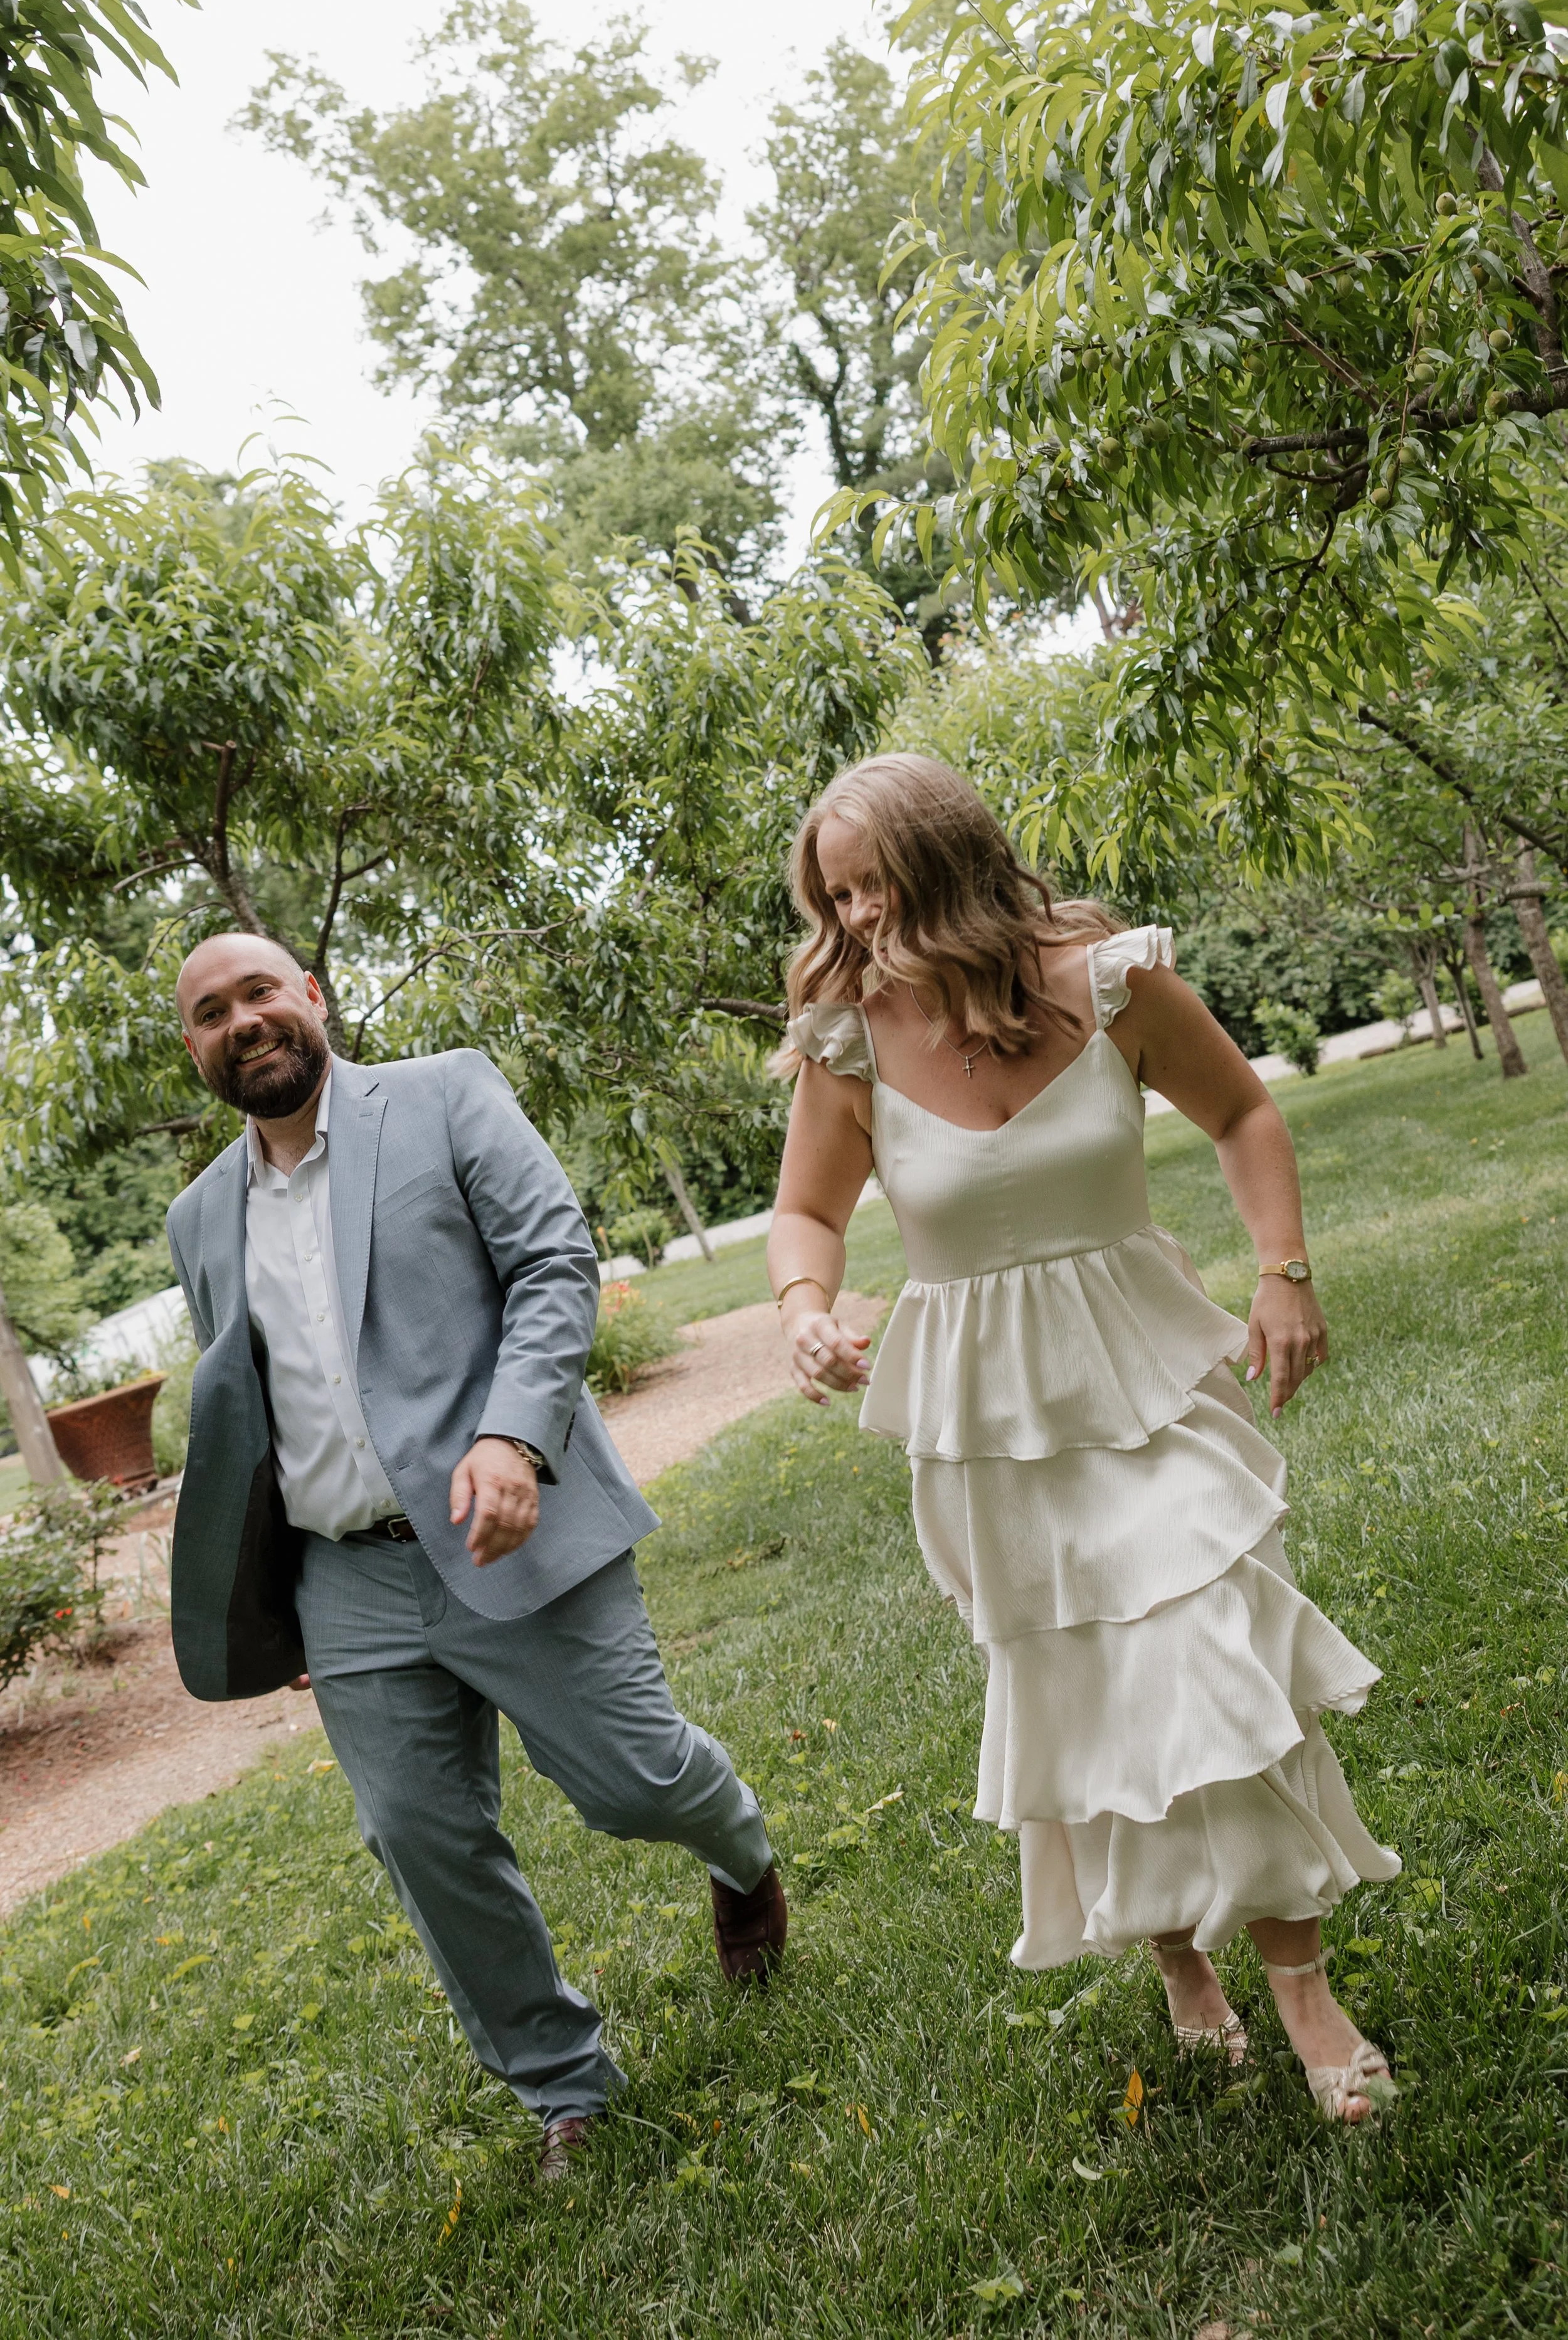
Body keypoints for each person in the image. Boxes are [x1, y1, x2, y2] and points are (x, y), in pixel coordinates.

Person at [767, 755, 1399, 2125]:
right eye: (837, 891)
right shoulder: (847, 1035)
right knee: (1087, 1694)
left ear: (949, 859)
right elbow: (805, 1216)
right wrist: (801, 1308)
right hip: (983, 1421)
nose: (859, 913)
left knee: (1209, 1648)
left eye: (876, 880)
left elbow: (1240, 1111)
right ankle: (1179, 1963)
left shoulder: (1107, 978)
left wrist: (1280, 1269)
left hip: (1142, 1365)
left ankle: (1299, 1990)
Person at [166, 930, 787, 2181]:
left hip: (507, 1515)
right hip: (344, 1582)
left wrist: (514, 1438)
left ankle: (738, 1847)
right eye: (208, 1012)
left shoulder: (444, 1093)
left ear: (312, 999)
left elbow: (552, 1260)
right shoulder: (198, 1222)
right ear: (194, 1050)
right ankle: (567, 2088)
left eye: (260, 993)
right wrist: (271, 1600)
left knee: (629, 1781)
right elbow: (254, 1417)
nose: (241, 1021)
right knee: (420, 1836)